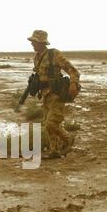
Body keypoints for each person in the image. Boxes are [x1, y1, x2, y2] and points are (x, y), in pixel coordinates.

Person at [27, 30, 81, 159]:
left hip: (56, 94)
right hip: (46, 95)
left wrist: (73, 84)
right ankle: (54, 151)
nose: (32, 44)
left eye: (34, 42)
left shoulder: (54, 54)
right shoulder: (37, 57)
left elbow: (73, 71)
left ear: (41, 42)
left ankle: (68, 139)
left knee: (52, 123)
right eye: (32, 41)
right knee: (48, 125)